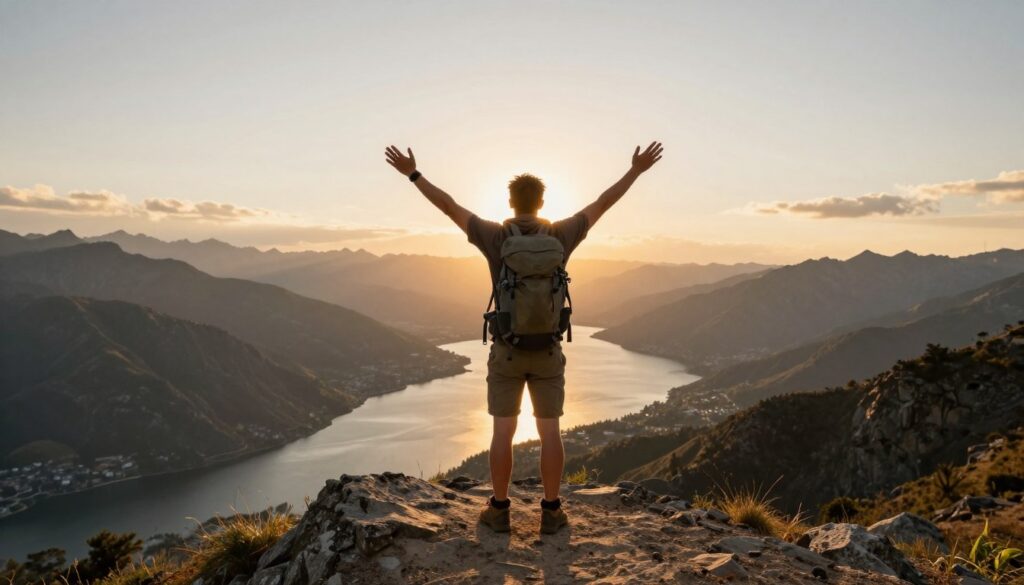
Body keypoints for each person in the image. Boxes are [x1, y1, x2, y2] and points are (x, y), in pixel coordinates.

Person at [384, 141, 664, 534]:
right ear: (542, 201)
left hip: (508, 352)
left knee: (503, 432)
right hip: (548, 351)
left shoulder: (496, 237)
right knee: (551, 433)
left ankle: (499, 510)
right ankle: (552, 512)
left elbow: (448, 206)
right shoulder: (562, 235)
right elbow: (603, 203)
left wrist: (413, 174)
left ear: (510, 202)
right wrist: (636, 170)